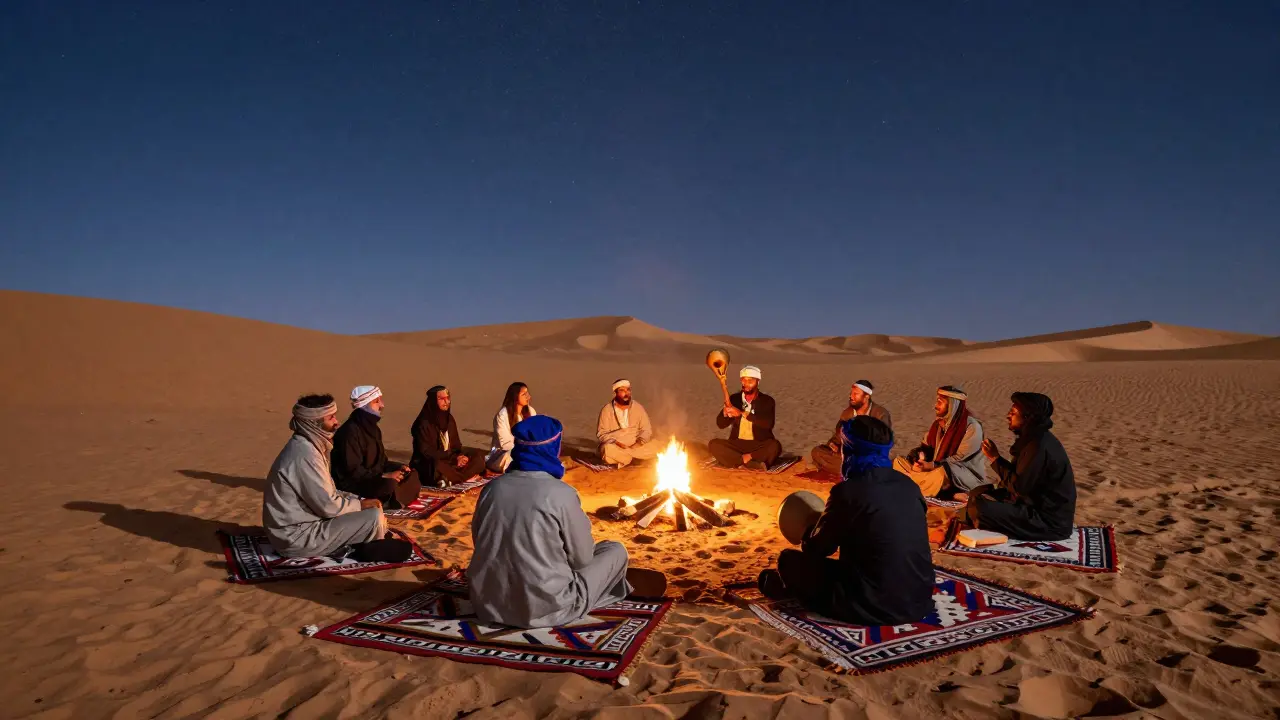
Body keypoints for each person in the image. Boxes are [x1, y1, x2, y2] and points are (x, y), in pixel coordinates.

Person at [468, 415, 667, 628]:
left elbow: (480, 540)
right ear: (552, 448)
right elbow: (582, 560)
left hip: (488, 604)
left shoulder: (491, 489)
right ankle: (612, 584)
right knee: (615, 550)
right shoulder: (561, 494)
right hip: (546, 608)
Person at [758, 415, 934, 626]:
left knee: (788, 560)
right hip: (918, 600)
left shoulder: (848, 491)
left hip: (875, 605)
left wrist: (808, 529)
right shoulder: (910, 486)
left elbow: (818, 549)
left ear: (851, 451)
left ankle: (789, 591)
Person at [263, 394, 388, 557]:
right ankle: (355, 549)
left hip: (307, 523)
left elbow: (329, 493)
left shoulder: (309, 446)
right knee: (373, 518)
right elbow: (328, 506)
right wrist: (360, 505)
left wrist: (359, 501)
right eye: (331, 418)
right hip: (297, 537)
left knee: (370, 511)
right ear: (314, 423)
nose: (337, 422)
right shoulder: (305, 455)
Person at [964, 392, 1077, 540]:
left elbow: (1019, 487)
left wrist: (994, 458)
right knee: (977, 493)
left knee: (980, 508)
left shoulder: (1038, 446)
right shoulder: (1033, 439)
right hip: (1032, 505)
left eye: (1013, 412)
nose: (1008, 416)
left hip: (1048, 521)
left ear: (1027, 417)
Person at [330, 385, 421, 508]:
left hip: (374, 476)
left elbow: (382, 462)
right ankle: (388, 499)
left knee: (411, 473)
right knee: (389, 484)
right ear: (365, 405)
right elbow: (353, 472)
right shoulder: (349, 432)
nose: (382, 405)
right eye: (376, 401)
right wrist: (385, 476)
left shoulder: (374, 429)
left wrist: (400, 467)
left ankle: (393, 498)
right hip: (355, 483)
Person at [892, 385, 985, 498]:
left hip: (963, 473)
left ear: (952, 405)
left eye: (940, 402)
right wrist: (918, 457)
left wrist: (931, 465)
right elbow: (926, 448)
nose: (935, 406)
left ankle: (915, 486)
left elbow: (959, 458)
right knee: (898, 462)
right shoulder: (938, 424)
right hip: (934, 469)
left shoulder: (972, 426)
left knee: (943, 473)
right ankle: (922, 485)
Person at [810, 379, 893, 476]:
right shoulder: (847, 413)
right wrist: (834, 445)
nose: (851, 396)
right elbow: (837, 436)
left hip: (871, 457)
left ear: (866, 397)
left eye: (855, 394)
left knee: (864, 463)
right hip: (846, 455)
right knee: (817, 451)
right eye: (851, 393)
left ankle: (849, 470)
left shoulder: (880, 414)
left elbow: (883, 442)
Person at [411, 385, 487, 488]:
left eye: (448, 398)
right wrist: (453, 458)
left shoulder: (449, 419)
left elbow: (456, 446)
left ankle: (452, 479)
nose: (446, 402)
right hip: (430, 463)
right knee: (436, 466)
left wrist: (460, 456)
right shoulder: (423, 424)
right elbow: (427, 453)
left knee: (478, 456)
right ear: (433, 401)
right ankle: (461, 478)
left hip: (451, 461)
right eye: (441, 399)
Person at [708, 365, 782, 469]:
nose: (746, 384)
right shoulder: (734, 399)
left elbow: (768, 424)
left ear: (757, 382)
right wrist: (725, 413)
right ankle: (748, 462)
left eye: (750, 381)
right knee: (714, 444)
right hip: (737, 443)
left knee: (775, 446)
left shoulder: (767, 401)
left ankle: (741, 460)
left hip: (759, 443)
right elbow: (720, 424)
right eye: (744, 380)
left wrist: (742, 413)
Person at [596, 379, 658, 467]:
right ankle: (633, 458)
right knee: (607, 450)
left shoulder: (638, 408)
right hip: (616, 446)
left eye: (628, 390)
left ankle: (626, 458)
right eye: (622, 390)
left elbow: (646, 430)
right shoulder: (607, 410)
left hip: (636, 446)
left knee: (658, 445)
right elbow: (601, 434)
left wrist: (638, 444)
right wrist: (618, 443)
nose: (626, 393)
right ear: (615, 393)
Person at [486, 382, 537, 473]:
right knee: (509, 459)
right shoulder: (503, 415)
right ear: (515, 397)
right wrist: (525, 449)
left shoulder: (531, 411)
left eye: (527, 393)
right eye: (524, 394)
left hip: (527, 450)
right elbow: (505, 443)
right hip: (503, 453)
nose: (528, 397)